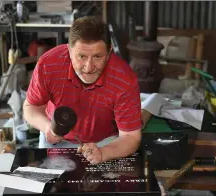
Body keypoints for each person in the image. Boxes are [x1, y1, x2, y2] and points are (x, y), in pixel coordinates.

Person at [23, 16, 142, 165]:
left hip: (106, 142)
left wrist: (104, 152)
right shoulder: (48, 65)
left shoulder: (124, 79)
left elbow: (131, 137)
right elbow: (30, 107)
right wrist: (47, 127)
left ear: (109, 52)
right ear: (69, 50)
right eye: (81, 56)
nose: (89, 67)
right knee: (50, 186)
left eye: (97, 57)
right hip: (55, 138)